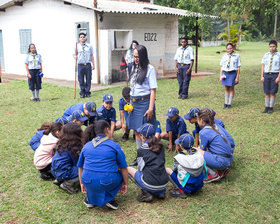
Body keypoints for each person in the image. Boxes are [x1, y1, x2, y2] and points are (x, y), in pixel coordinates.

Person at [78, 120, 128, 210]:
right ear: (107, 129)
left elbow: (80, 166)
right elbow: (123, 167)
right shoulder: (114, 145)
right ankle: (109, 199)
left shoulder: (86, 145)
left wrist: (82, 182)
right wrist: (125, 184)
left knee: (94, 178)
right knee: (117, 174)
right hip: (107, 181)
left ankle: (90, 199)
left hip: (87, 180)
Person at [127, 123, 169, 203]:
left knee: (128, 169)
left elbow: (140, 168)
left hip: (150, 183)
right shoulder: (161, 146)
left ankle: (146, 193)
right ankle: (161, 192)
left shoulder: (142, 150)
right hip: (164, 183)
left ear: (143, 136)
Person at [128, 45, 157, 150]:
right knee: (136, 130)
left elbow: (153, 90)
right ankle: (139, 154)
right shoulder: (135, 68)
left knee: (145, 130)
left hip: (144, 103)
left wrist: (150, 108)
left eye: (138, 57)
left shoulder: (150, 69)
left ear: (143, 56)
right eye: (134, 56)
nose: (135, 59)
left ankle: (148, 154)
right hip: (134, 104)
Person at [195, 109, 234, 183]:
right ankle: (222, 170)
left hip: (221, 161)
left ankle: (212, 174)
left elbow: (202, 150)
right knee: (211, 149)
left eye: (197, 119)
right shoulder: (217, 126)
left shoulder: (203, 132)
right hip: (229, 158)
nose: (197, 120)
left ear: (202, 120)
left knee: (196, 152)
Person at [166, 133, 205, 199]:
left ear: (181, 145)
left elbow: (174, 170)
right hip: (199, 185)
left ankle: (181, 190)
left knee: (168, 170)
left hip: (188, 188)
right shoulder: (199, 153)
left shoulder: (179, 157)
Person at [51, 123, 83, 194]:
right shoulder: (73, 147)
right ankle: (68, 184)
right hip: (64, 172)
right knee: (85, 170)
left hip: (54, 171)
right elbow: (78, 163)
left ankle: (59, 179)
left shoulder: (62, 143)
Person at [220, 43, 241, 109]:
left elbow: (238, 67)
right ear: (226, 49)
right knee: (226, 88)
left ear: (233, 48)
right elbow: (222, 66)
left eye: (231, 48)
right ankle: (226, 103)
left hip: (232, 73)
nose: (229, 50)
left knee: (231, 88)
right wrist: (220, 75)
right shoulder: (224, 56)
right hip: (225, 73)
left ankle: (229, 103)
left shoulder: (237, 56)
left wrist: (237, 77)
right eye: (228, 48)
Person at [261, 40, 280, 114]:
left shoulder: (279, 55)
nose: (272, 48)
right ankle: (267, 107)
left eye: (273, 46)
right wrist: (262, 76)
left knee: (272, 92)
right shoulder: (266, 55)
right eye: (270, 46)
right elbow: (263, 66)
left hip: (274, 74)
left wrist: (278, 77)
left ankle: (271, 107)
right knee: (266, 92)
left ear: (276, 47)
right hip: (266, 74)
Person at [74, 32, 95, 98]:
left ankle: (87, 92)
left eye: (83, 37)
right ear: (79, 38)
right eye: (81, 37)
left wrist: (93, 64)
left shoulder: (89, 46)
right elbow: (74, 55)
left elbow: (92, 55)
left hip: (88, 64)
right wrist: (75, 57)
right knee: (81, 79)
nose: (82, 38)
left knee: (88, 79)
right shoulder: (77, 46)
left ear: (85, 38)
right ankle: (82, 92)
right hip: (80, 65)